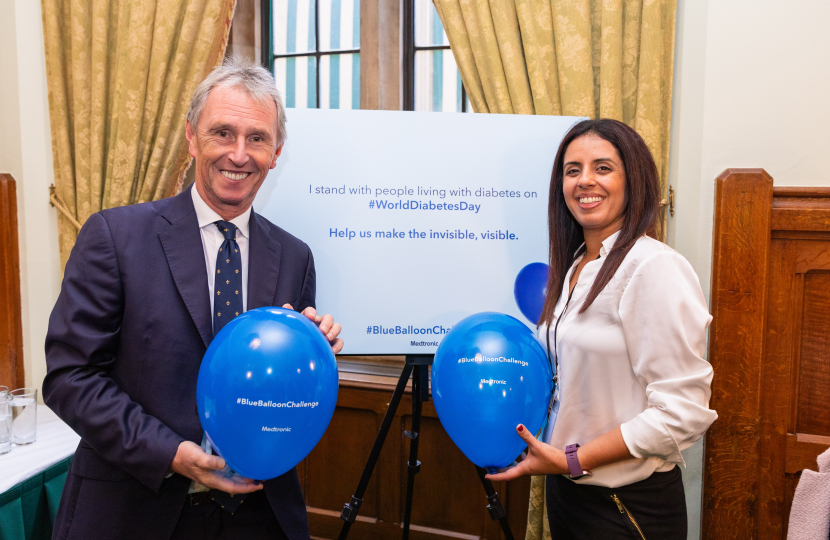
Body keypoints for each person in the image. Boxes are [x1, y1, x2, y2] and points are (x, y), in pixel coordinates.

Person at [43, 57, 342, 540]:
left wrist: (313, 351)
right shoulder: (114, 237)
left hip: (260, 515)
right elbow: (69, 378)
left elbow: (280, 387)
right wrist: (172, 455)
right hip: (136, 508)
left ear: (277, 151)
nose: (239, 154)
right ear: (191, 136)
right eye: (222, 133)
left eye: (257, 138)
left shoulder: (294, 256)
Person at [487, 119, 717, 538]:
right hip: (568, 492)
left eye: (603, 167)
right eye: (572, 170)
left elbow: (683, 412)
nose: (584, 180)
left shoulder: (652, 267)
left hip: (626, 505)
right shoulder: (576, 265)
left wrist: (573, 459)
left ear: (634, 180)